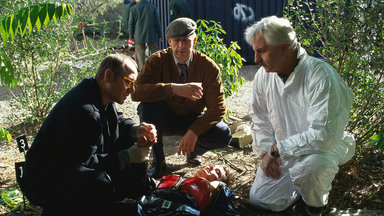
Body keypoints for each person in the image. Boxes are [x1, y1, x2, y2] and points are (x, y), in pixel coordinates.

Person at [19, 54, 157, 216]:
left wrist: (137, 129)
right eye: (129, 82)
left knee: (128, 143)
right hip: (45, 180)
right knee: (99, 182)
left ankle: (128, 195)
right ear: (109, 76)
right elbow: (84, 162)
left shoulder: (98, 94)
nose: (132, 90)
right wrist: (128, 157)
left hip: (66, 168)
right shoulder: (85, 110)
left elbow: (117, 120)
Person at [244, 16, 356, 215]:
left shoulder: (320, 76)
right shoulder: (264, 75)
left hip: (324, 148)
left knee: (315, 166)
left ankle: (314, 205)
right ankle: (301, 184)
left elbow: (323, 136)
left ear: (284, 49)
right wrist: (264, 152)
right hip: (283, 152)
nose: (255, 59)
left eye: (261, 51)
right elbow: (259, 116)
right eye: (255, 51)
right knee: (261, 200)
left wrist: (277, 149)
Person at [131, 17, 232, 179]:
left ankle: (193, 152)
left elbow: (218, 108)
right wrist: (173, 89)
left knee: (223, 134)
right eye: (177, 41)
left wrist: (194, 131)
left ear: (195, 40)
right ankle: (159, 162)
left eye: (186, 41)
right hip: (163, 119)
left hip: (191, 119)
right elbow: (136, 92)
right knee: (147, 107)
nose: (181, 47)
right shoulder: (156, 61)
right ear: (169, 41)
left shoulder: (208, 67)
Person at [139, 164, 239, 216]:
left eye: (217, 172)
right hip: (145, 207)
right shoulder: (178, 179)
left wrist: (219, 186)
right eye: (212, 165)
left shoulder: (215, 188)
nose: (211, 167)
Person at [128, 0, 162, 71]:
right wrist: (159, 35)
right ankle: (159, 68)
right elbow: (157, 23)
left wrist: (131, 37)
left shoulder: (133, 9)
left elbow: (131, 24)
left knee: (140, 56)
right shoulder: (153, 7)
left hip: (138, 36)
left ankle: (142, 72)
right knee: (156, 53)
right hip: (151, 35)